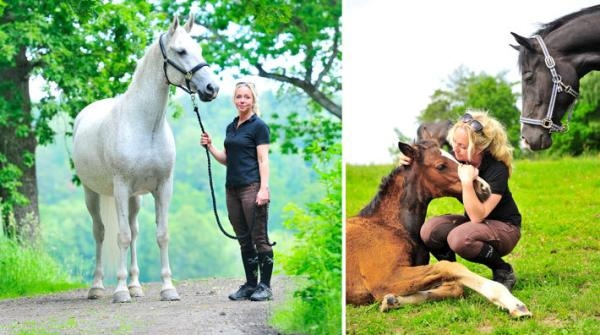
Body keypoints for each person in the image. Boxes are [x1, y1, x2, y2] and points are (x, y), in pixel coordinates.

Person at [399, 110, 521, 290]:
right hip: (474, 225)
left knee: (459, 238)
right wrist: (408, 160)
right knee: (429, 231)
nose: (455, 150)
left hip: (503, 228)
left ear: (479, 148)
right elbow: (430, 166)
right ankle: (452, 276)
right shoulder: (459, 160)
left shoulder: (497, 169)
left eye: (462, 146)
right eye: (454, 143)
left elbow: (478, 216)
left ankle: (502, 269)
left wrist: (466, 183)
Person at [200, 81, 274, 301]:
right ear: (234, 99)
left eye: (247, 97)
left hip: (252, 187)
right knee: (243, 239)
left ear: (253, 100)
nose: (242, 100)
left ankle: (266, 286)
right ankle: (251, 284)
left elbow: (263, 160)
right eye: (239, 97)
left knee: (259, 237)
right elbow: (227, 159)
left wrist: (263, 189)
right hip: (232, 189)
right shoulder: (232, 127)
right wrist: (211, 146)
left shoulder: (259, 126)